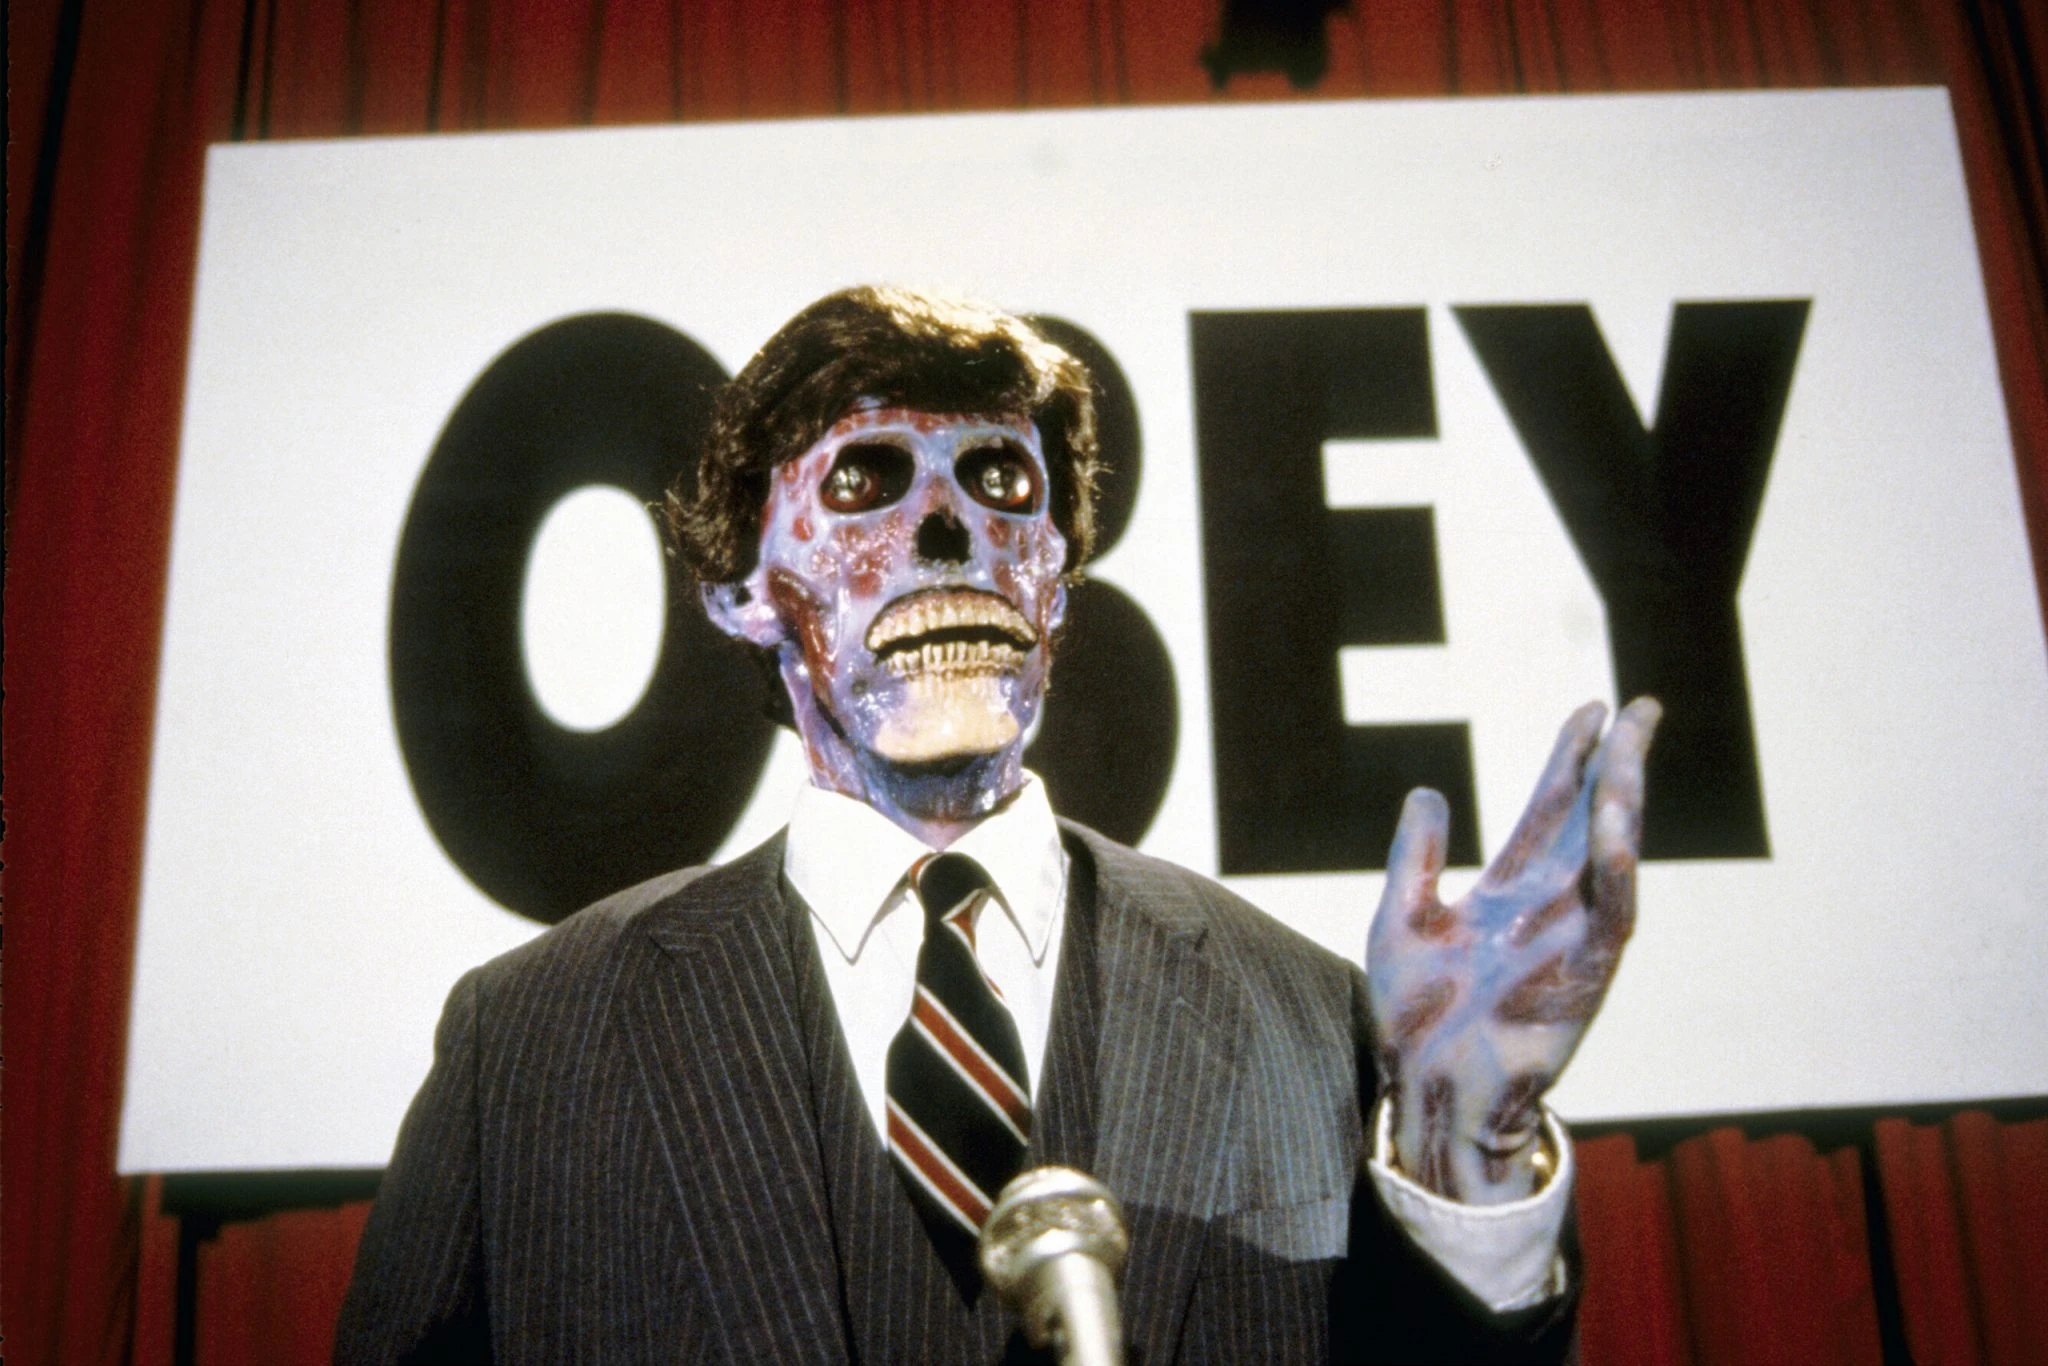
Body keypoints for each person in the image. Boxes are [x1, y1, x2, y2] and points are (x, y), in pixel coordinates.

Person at [335, 286, 1658, 1364]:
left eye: (998, 481)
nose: (950, 531)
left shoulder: (1308, 1021)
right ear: (744, 593)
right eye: (866, 480)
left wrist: (1463, 1143)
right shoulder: (530, 1046)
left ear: (1058, 582)